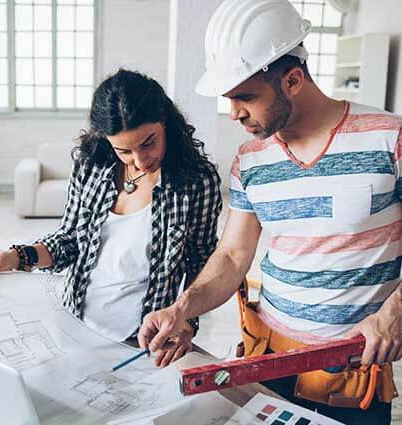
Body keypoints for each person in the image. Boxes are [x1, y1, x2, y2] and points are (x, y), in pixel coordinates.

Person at [137, 0, 401, 423]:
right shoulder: (251, 159)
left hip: (353, 374)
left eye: (246, 97)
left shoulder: (389, 138)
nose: (234, 112)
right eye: (229, 98)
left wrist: (394, 314)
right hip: (270, 362)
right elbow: (231, 257)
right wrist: (181, 308)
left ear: (293, 80)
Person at [0, 69, 222, 367]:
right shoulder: (92, 167)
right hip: (74, 322)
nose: (140, 160)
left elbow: (202, 262)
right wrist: (14, 256)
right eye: (124, 151)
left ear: (164, 121)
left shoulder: (196, 180)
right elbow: (69, 241)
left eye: (148, 143)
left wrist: (186, 322)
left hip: (142, 340)